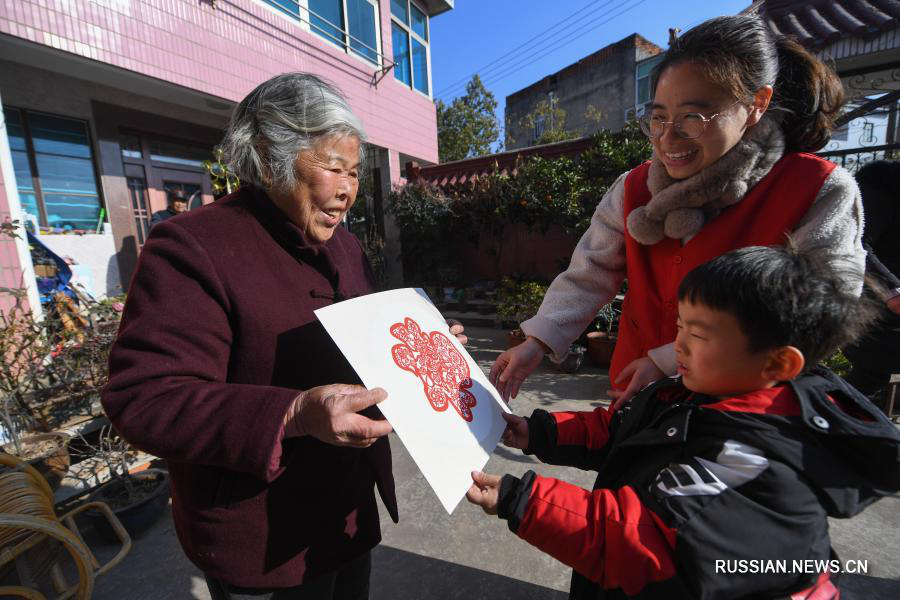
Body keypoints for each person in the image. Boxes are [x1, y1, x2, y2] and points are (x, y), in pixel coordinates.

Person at [102, 73, 465, 600]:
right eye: (332, 167)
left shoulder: (344, 248)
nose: (347, 190)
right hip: (262, 537)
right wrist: (292, 414)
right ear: (271, 154)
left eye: (355, 172)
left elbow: (362, 346)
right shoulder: (191, 248)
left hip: (345, 514)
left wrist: (424, 347)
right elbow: (144, 398)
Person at [467, 245, 900, 600]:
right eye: (679, 327)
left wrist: (519, 498)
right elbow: (621, 431)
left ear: (778, 362)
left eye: (698, 335)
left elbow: (641, 539)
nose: (678, 346)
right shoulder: (694, 389)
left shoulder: (755, 463)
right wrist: (539, 432)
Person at [491, 15, 864, 408]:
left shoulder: (816, 189)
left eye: (692, 118)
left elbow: (819, 311)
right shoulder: (633, 188)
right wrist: (539, 340)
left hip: (744, 414)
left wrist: (669, 360)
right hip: (635, 400)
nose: (669, 138)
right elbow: (590, 272)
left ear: (757, 104)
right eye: (658, 118)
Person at [841, 160, 900, 407]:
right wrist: (891, 292)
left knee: (864, 387)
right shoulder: (884, 183)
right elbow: (856, 244)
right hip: (872, 309)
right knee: (865, 381)